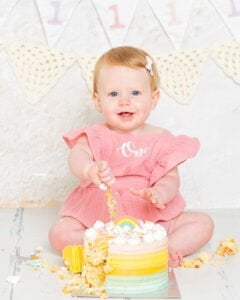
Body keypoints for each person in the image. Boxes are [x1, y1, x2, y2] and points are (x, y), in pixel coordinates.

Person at [49, 46, 214, 267]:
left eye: (135, 93)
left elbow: (171, 178)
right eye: (114, 94)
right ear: (98, 101)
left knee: (202, 223)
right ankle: (104, 247)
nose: (124, 101)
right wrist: (89, 169)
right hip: (100, 219)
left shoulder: (162, 140)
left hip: (149, 218)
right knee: (60, 233)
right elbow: (77, 156)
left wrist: (160, 193)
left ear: (153, 99)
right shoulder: (95, 136)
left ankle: (165, 248)